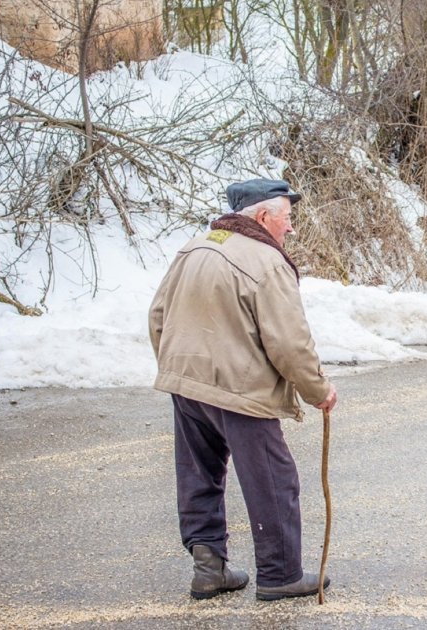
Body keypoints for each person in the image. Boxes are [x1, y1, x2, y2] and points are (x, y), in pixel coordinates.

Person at [149, 178, 339, 601]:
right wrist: (317, 390)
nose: (290, 229)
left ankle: (209, 569)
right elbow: (289, 342)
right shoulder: (266, 262)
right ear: (263, 216)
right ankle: (281, 575)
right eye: (287, 218)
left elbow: (157, 315)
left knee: (199, 474)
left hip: (186, 381)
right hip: (238, 388)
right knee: (274, 479)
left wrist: (176, 365)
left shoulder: (195, 247)